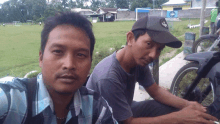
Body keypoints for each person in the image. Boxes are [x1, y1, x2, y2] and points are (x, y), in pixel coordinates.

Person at [86, 15, 218, 124]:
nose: (153, 55)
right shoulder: (109, 77)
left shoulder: (138, 61)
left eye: (159, 49)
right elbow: (126, 122)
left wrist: (188, 105)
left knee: (168, 108)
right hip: (106, 120)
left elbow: (155, 91)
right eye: (149, 44)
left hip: (125, 109)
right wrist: (178, 118)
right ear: (130, 38)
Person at [0, 12, 117, 124]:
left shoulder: (96, 108)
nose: (69, 64)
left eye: (81, 55)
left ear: (90, 63)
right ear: (41, 58)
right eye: (58, 51)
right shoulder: (10, 99)